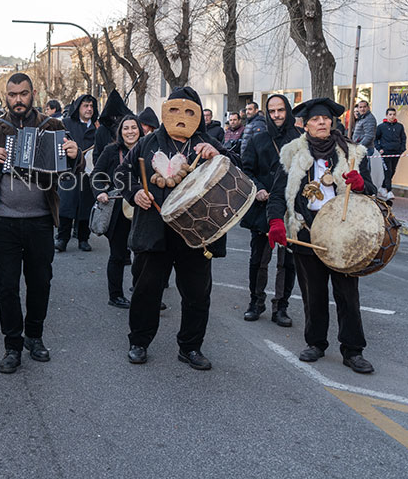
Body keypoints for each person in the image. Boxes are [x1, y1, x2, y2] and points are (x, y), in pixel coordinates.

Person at [0, 73, 81, 373]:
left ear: (33, 93)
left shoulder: (52, 126)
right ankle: (12, 345)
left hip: (40, 221)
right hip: (3, 221)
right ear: (6, 97)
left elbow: (71, 170)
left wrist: (76, 156)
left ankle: (34, 337)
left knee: (40, 283)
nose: (18, 100)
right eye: (12, 95)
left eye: (23, 94)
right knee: (6, 286)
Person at [118, 86, 236, 370]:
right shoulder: (147, 143)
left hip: (196, 234)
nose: (181, 116)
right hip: (154, 231)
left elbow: (237, 171)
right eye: (174, 109)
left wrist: (218, 155)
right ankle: (139, 342)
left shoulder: (208, 144)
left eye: (188, 110)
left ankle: (190, 347)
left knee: (197, 294)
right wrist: (135, 192)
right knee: (146, 291)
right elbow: (122, 174)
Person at [267, 97, 376, 374]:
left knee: (347, 295)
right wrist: (276, 221)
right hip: (307, 230)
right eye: (315, 119)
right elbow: (278, 193)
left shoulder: (352, 153)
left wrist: (360, 184)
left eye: (325, 118)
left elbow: (370, 190)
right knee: (313, 293)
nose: (322, 123)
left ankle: (353, 350)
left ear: (332, 121)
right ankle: (315, 343)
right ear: (306, 125)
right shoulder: (293, 153)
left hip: (343, 233)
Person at [240, 95, 300, 326]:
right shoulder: (258, 139)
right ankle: (255, 302)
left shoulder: (301, 139)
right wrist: (258, 188)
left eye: (280, 110)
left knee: (288, 262)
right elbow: (246, 170)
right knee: (258, 259)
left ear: (288, 110)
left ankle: (281, 307)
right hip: (263, 207)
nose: (276, 115)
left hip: (292, 209)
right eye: (272, 111)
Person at [91, 114, 143, 308]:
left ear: (140, 130)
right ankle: (115, 296)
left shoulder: (148, 149)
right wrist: (100, 192)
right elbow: (96, 175)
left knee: (144, 255)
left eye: (133, 127)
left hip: (143, 208)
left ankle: (142, 293)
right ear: (120, 132)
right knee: (118, 255)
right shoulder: (111, 150)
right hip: (118, 210)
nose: (130, 132)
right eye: (126, 128)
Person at [56, 94, 98, 252]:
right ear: (78, 107)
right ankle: (62, 239)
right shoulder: (67, 124)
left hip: (88, 174)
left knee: (86, 208)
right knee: (66, 207)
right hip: (69, 172)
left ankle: (83, 239)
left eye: (91, 106)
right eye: (85, 106)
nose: (89, 109)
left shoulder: (97, 127)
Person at [375, 107, 405, 200]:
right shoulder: (381, 127)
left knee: (393, 171)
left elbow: (403, 138)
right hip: (386, 153)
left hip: (396, 152)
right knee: (388, 171)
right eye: (390, 114)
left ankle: (383, 187)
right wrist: (379, 149)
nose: (392, 116)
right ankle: (389, 191)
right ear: (386, 115)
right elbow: (375, 139)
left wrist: (402, 149)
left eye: (394, 114)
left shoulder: (399, 126)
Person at [95, 89, 134, 155]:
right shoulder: (102, 131)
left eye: (118, 117)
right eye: (113, 117)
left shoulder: (128, 128)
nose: (115, 120)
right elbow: (97, 154)